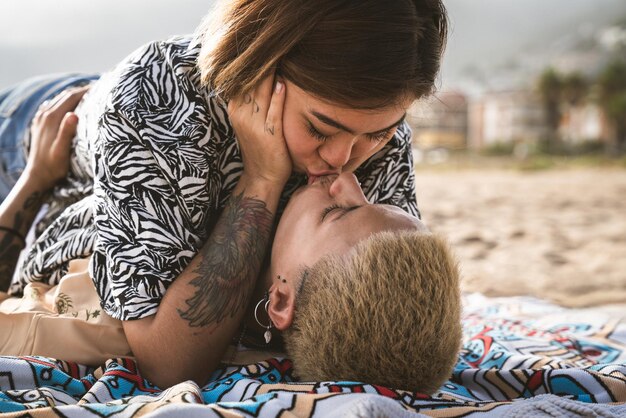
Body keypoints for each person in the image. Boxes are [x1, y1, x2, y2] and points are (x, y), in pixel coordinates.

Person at [0, 0, 450, 388]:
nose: (343, 162)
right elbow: (169, 361)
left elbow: (378, 284)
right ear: (258, 65)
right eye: (319, 128)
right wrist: (261, 180)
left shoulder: (368, 127)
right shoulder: (155, 99)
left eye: (379, 134)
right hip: (40, 129)